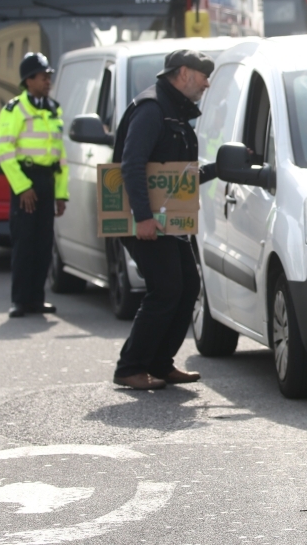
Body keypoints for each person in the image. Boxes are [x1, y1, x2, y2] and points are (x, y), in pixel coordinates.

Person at [112, 50, 219, 391]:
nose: (207, 83)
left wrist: (218, 170)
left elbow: (175, 177)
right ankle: (130, 366)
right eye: (203, 75)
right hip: (145, 221)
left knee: (188, 286)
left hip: (167, 221)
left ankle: (160, 363)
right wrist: (142, 217)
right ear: (184, 73)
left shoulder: (173, 111)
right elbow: (131, 164)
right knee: (166, 289)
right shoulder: (152, 109)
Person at [0, 52, 68, 318]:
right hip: (26, 181)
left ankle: (37, 299)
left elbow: (60, 157)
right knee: (24, 243)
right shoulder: (14, 110)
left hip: (47, 181)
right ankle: (20, 300)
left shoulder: (53, 109)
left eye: (49, 76)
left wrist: (61, 194)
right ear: (29, 80)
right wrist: (23, 187)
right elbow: (4, 151)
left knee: (43, 243)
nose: (48, 80)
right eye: (43, 76)